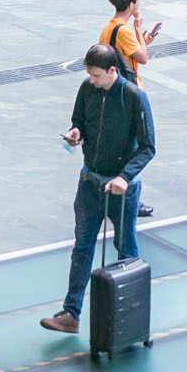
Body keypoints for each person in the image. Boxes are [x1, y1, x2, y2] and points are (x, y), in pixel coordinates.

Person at [38, 43, 156, 336]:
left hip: (121, 190)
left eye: (96, 76)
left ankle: (129, 317)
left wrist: (125, 177)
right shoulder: (87, 88)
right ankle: (71, 312)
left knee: (126, 251)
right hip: (90, 182)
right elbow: (80, 121)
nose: (91, 81)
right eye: (89, 75)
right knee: (82, 248)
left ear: (112, 71)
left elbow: (148, 147)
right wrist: (76, 133)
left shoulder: (134, 97)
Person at [100, 0, 158, 90]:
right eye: (138, 0)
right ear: (131, 5)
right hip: (127, 87)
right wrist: (137, 29)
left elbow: (127, 51)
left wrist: (143, 42)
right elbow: (143, 58)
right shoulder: (124, 30)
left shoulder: (108, 26)